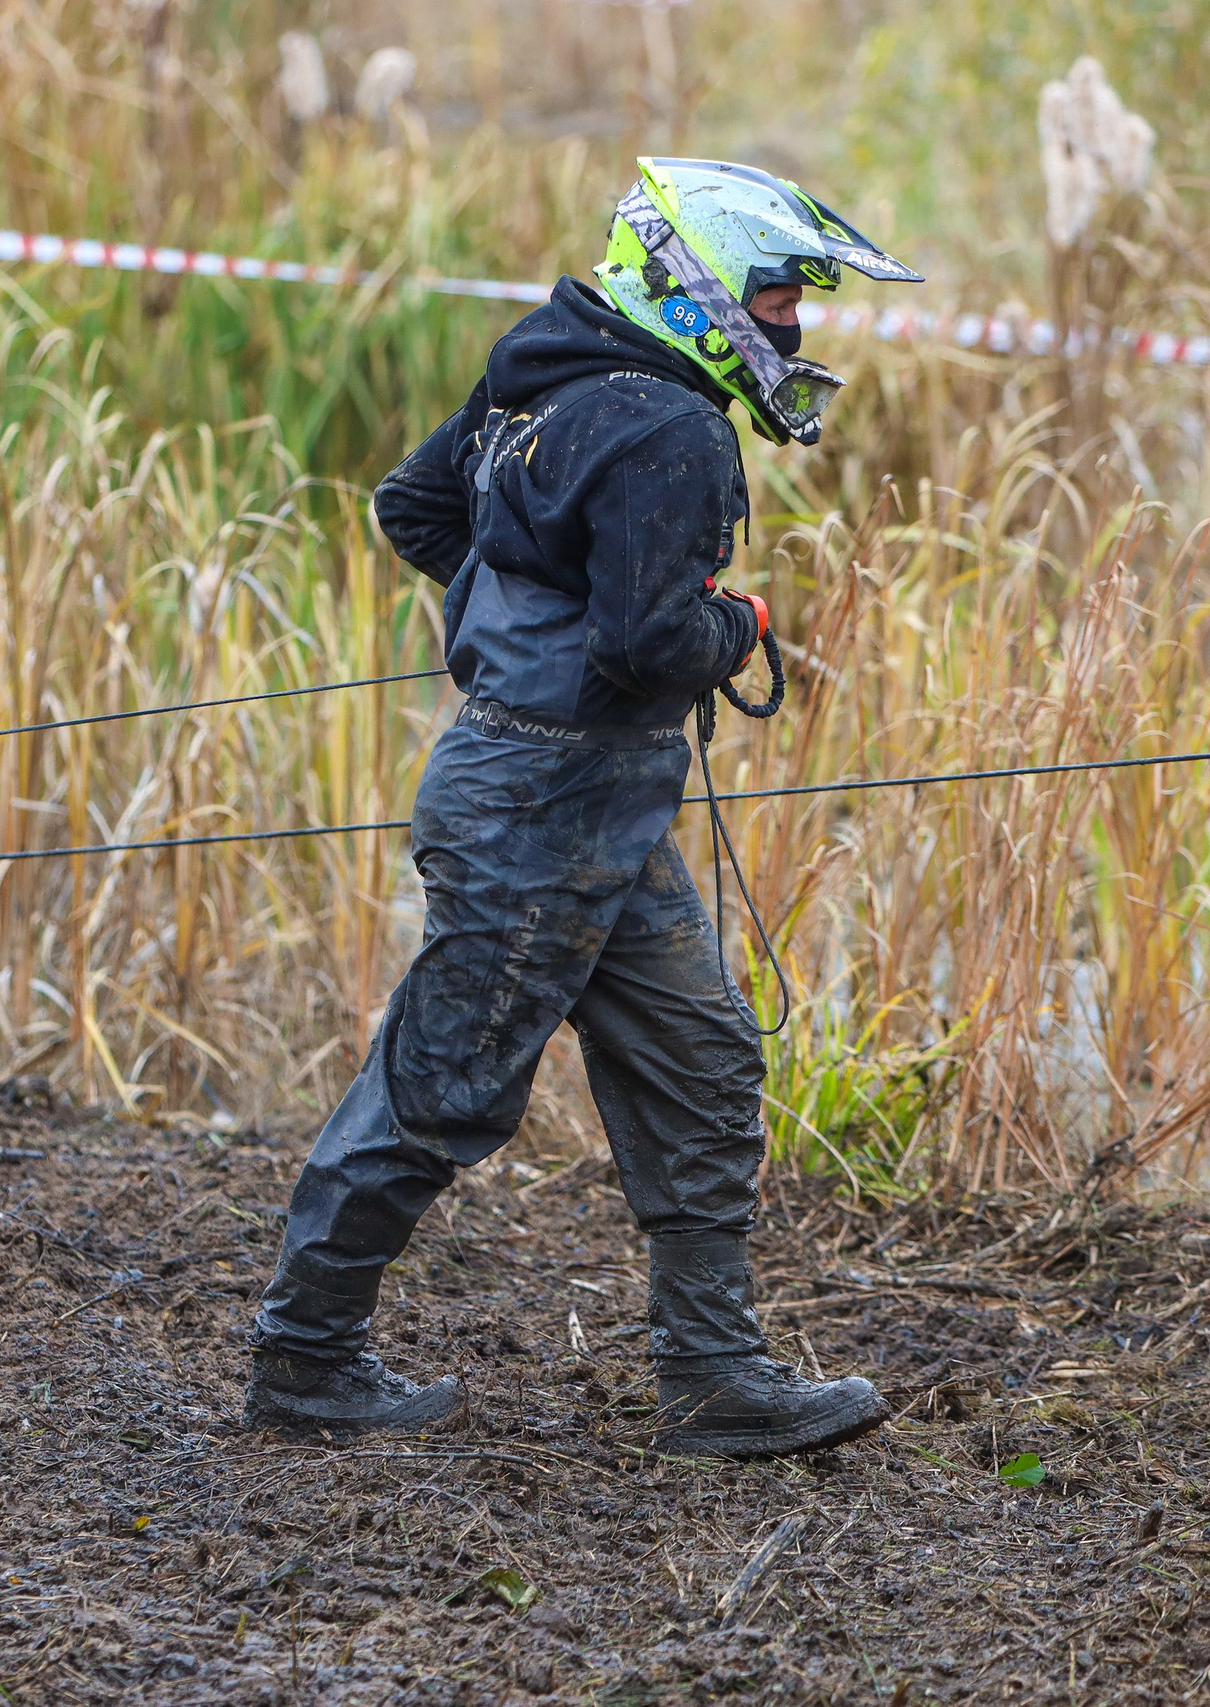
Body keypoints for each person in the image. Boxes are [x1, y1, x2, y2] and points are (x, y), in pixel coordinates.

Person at [245, 158, 922, 1459]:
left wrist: (522, 620)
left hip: (581, 793)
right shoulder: (673, 429)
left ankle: (716, 1380)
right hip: (540, 803)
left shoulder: (541, 375)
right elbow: (648, 640)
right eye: (777, 298)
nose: (793, 324)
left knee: (702, 1058)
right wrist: (738, 625)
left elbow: (415, 507)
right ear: (698, 285)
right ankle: (305, 1359)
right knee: (442, 1084)